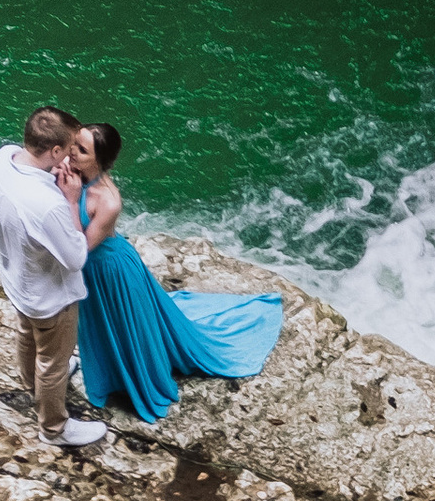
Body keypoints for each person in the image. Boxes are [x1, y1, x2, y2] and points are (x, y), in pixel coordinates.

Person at [64, 121, 285, 419]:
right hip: (93, 272)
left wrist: (70, 200)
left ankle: (133, 377)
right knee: (103, 326)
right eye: (74, 144)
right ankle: (109, 373)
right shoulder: (71, 171)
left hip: (112, 272)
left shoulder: (108, 201)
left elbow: (81, 248)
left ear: (100, 161)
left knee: (126, 328)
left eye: (82, 149)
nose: (72, 152)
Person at [0, 108, 108, 450]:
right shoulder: (47, 203)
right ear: (54, 152)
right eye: (68, 149)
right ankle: (54, 428)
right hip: (49, 295)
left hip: (16, 278)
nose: (71, 155)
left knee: (26, 335)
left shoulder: (4, 157)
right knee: (54, 361)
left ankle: (30, 383)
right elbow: (75, 257)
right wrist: (70, 199)